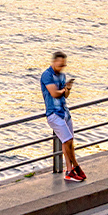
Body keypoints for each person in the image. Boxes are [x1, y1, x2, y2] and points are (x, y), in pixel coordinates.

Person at [41, 52, 85, 182]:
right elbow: (54, 93)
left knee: (69, 142)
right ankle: (76, 167)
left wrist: (68, 89)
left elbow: (65, 96)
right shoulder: (47, 75)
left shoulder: (62, 76)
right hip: (54, 113)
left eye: (63, 65)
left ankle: (70, 171)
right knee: (67, 141)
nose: (61, 67)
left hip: (64, 111)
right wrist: (64, 89)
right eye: (60, 65)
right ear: (54, 62)